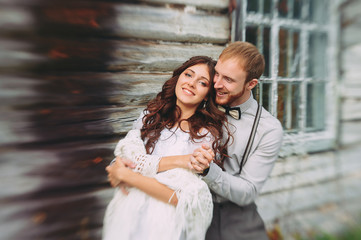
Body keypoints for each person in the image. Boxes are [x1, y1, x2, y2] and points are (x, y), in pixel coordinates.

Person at [111, 41, 283, 240]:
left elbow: (247, 192)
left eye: (227, 79)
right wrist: (118, 166)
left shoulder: (267, 129)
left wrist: (206, 169)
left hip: (228, 218)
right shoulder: (167, 112)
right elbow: (133, 149)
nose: (217, 84)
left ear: (250, 84)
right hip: (159, 210)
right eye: (216, 74)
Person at [103, 56, 231, 240]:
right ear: (179, 77)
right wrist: (180, 161)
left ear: (208, 94)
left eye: (202, 82)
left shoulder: (205, 135)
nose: (191, 83)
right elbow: (121, 164)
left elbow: (184, 198)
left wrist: (129, 176)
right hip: (128, 215)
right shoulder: (150, 116)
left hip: (165, 226)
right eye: (188, 74)